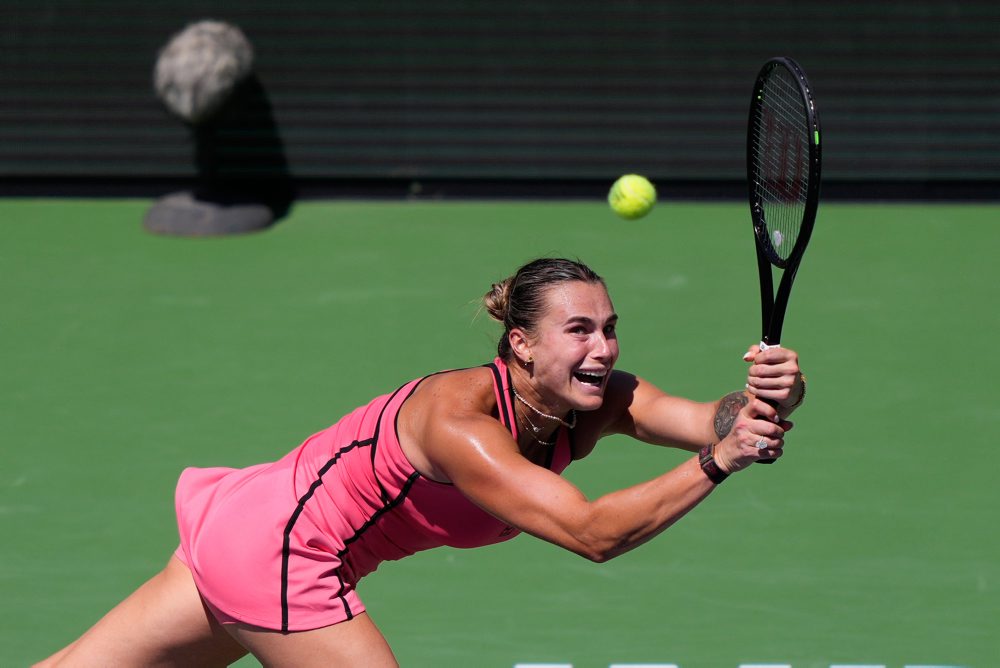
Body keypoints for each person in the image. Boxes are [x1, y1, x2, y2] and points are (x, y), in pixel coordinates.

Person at [37, 257, 806, 667]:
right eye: (578, 331)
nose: (602, 348)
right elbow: (591, 532)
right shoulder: (458, 424)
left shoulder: (603, 397)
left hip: (248, 523)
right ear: (522, 344)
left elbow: (714, 419)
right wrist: (720, 462)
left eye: (609, 329)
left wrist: (770, 398)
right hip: (283, 552)